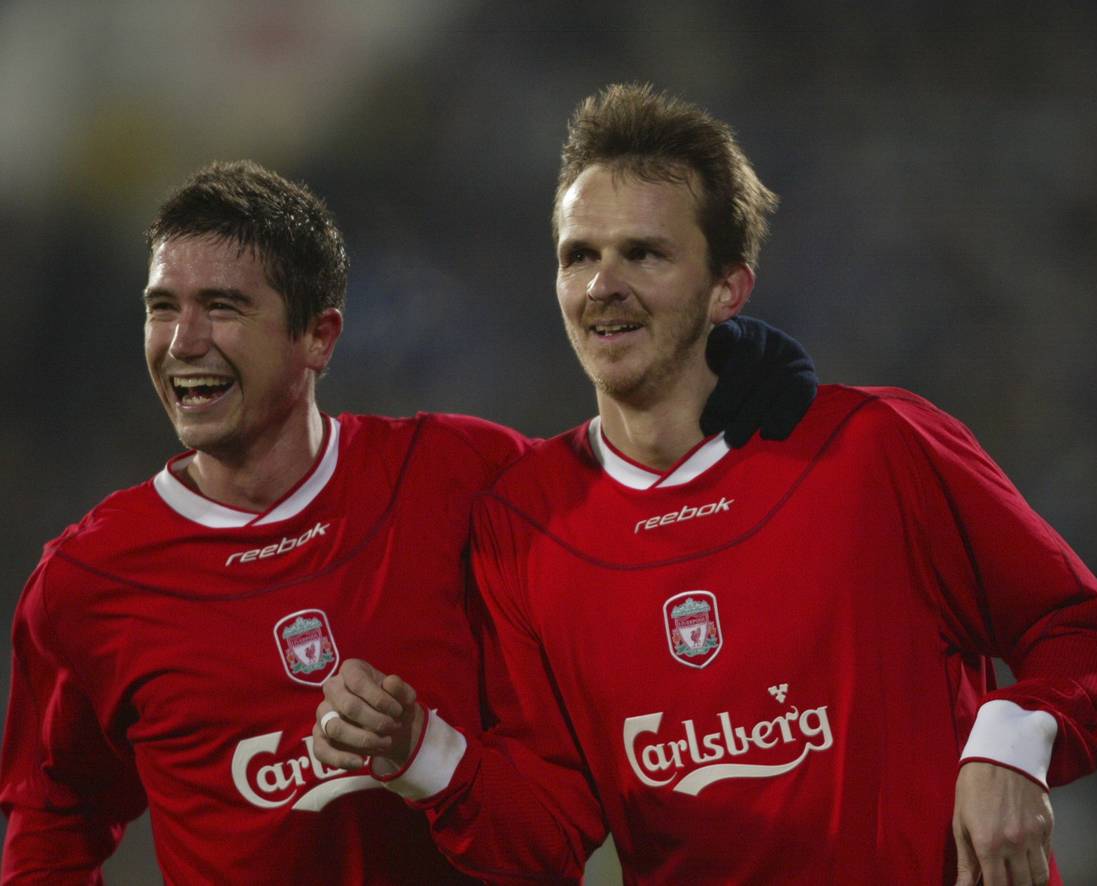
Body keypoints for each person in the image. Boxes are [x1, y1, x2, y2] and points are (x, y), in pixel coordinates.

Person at [314, 84, 1097, 885]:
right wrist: (420, 753)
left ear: (727, 288)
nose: (604, 285)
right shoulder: (525, 522)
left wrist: (1007, 743)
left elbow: (1085, 639)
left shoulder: (877, 448)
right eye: (580, 256)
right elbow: (549, 830)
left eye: (644, 253)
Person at [0, 159, 815, 883]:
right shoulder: (87, 583)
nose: (183, 341)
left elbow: (643, 488)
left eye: (222, 307)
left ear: (318, 336)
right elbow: (54, 819)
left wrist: (735, 365)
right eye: (161, 307)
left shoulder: (460, 477)